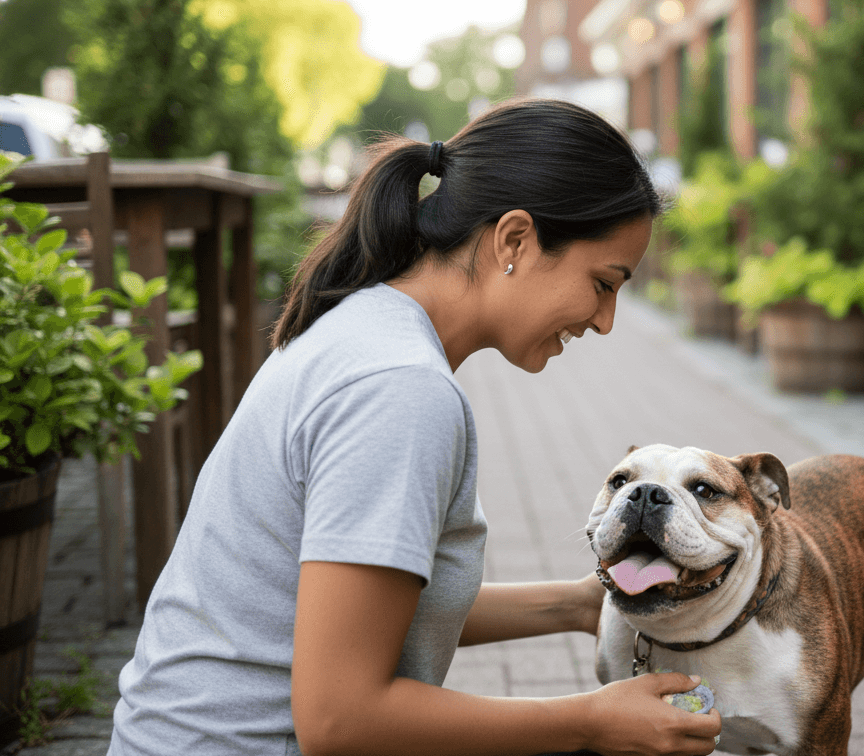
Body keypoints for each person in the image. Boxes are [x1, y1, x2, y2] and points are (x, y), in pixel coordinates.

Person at [108, 99, 722, 756]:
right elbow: (340, 721)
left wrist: (578, 605)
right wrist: (590, 721)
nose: (606, 321)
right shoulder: (401, 391)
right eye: (603, 283)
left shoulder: (369, 329)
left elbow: (369, 613)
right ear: (514, 240)